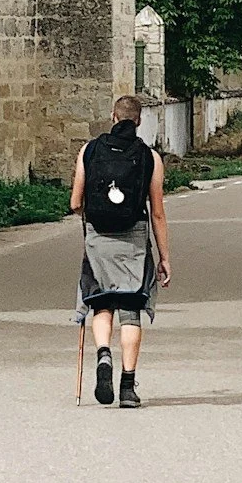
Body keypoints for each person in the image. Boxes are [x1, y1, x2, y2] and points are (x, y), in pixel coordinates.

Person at [71, 95, 171, 407]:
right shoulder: (150, 158)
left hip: (98, 238)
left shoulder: (89, 151)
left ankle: (103, 355)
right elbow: (157, 212)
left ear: (113, 116)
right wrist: (165, 257)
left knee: (101, 303)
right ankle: (127, 387)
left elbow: (75, 203)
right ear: (139, 121)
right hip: (135, 241)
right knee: (131, 310)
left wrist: (90, 216)